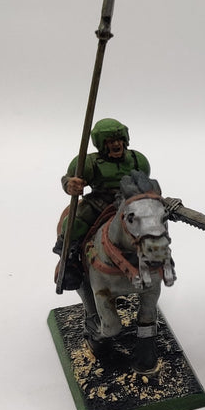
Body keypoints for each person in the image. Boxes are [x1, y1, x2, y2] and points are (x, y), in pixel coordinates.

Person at [54, 117, 151, 290]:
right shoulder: (88, 162)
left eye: (119, 139)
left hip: (130, 202)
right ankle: (70, 259)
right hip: (99, 203)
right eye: (110, 141)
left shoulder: (137, 160)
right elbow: (67, 178)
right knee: (74, 224)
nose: (116, 144)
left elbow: (144, 182)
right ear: (101, 144)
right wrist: (71, 184)